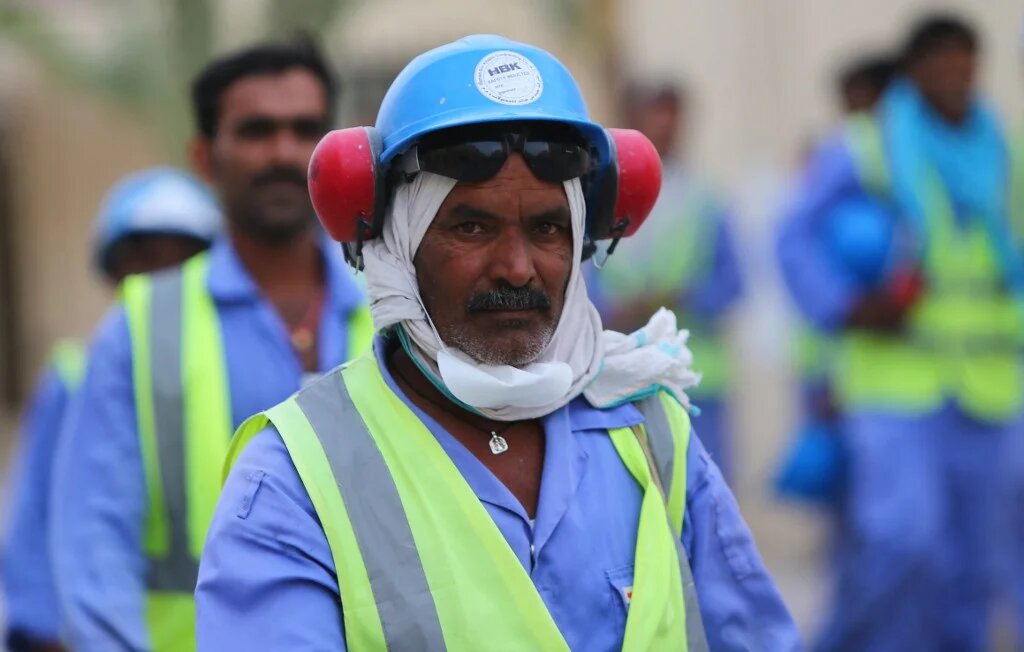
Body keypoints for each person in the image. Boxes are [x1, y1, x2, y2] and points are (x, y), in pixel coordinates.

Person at [195, 34, 799, 651]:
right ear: (398, 244)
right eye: (472, 226)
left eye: (546, 228)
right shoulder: (294, 477)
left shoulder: (650, 433)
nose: (517, 266)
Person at [50, 39, 372, 652]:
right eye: (256, 131)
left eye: (305, 129)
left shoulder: (395, 309)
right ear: (204, 156)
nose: (283, 151)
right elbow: (95, 551)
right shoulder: (143, 323)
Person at [777, 15, 1023, 651]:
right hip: (894, 383)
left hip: (990, 388)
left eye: (965, 62)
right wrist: (847, 305)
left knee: (974, 566)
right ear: (912, 72)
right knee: (902, 544)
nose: (955, 76)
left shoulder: (1001, 150)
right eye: (939, 62)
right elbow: (795, 235)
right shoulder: (867, 144)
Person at [1, 168, 220, 652]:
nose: (161, 283)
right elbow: (36, 524)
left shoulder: (227, 367)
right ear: (112, 272)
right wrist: (41, 630)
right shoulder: (73, 377)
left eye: (184, 261)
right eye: (142, 262)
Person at [586, 81, 744, 480]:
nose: (665, 125)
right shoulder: (600, 196)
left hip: (694, 375)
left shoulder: (706, 197)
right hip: (618, 373)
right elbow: (583, 282)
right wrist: (612, 312)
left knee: (700, 491)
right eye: (655, 113)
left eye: (672, 115)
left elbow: (733, 282)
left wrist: (683, 298)